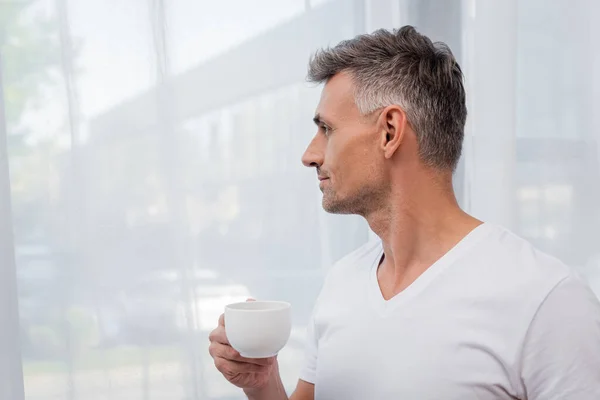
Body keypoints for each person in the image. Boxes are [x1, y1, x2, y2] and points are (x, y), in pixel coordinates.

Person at [208, 26, 600, 400]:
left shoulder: (546, 299)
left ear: (390, 131)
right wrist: (262, 383)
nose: (310, 155)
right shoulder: (342, 283)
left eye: (327, 129)